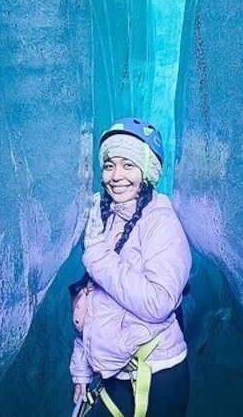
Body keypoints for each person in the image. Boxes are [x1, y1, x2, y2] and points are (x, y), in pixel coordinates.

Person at [69, 118, 192, 417]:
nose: (116, 175)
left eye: (128, 165)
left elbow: (158, 302)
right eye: (110, 165)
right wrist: (81, 368)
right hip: (116, 374)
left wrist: (97, 256)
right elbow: (97, 300)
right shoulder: (108, 217)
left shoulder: (161, 222)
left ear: (146, 172)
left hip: (157, 376)